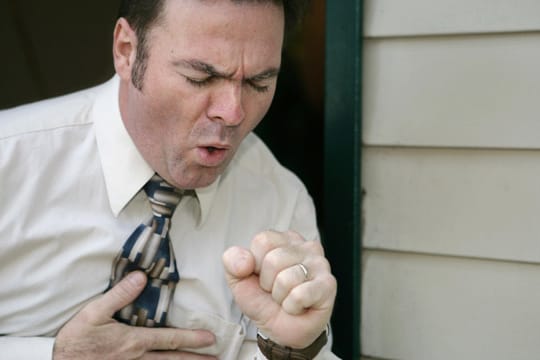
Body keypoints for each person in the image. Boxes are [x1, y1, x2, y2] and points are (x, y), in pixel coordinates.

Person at [0, 0, 338, 359]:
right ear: (126, 52)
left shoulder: (280, 201)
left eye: (258, 82)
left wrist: (291, 349)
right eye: (200, 77)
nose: (232, 112)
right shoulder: (10, 163)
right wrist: (56, 354)